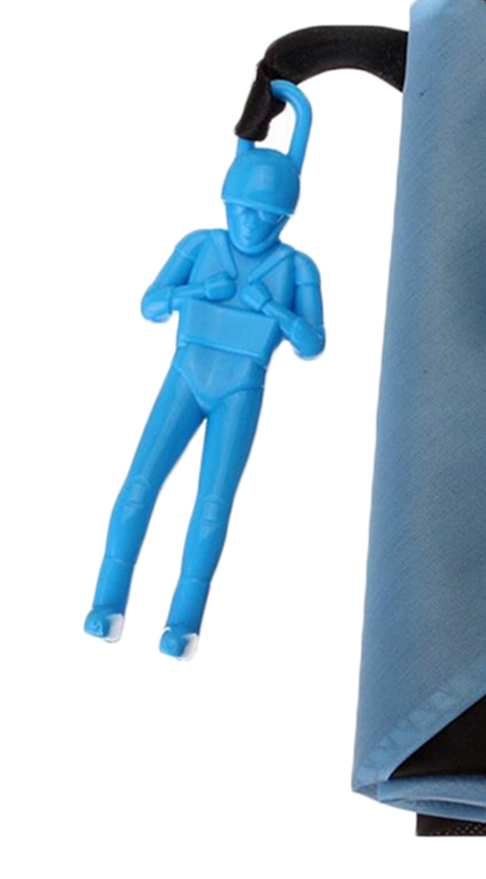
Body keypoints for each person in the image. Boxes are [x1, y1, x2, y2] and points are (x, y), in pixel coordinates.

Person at [84, 81, 322, 660]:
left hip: (241, 388)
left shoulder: (296, 267)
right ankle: (107, 603)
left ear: (285, 217)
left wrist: (273, 309)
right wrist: (195, 291)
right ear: (226, 202)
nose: (252, 224)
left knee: (212, 504)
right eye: (242, 210)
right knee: (139, 484)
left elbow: (312, 342)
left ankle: (183, 622)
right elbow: (149, 304)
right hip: (185, 377)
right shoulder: (200, 245)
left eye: (266, 215)